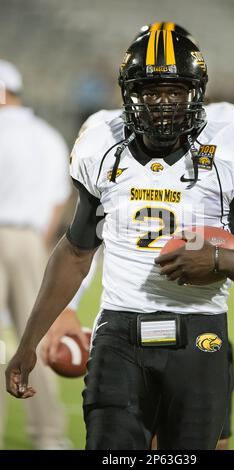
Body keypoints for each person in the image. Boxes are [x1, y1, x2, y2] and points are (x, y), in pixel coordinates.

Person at [5, 28, 234, 450]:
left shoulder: (228, 150)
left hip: (198, 337)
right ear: (128, 94)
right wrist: (29, 342)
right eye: (150, 91)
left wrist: (217, 261)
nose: (163, 103)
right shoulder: (104, 143)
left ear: (196, 92)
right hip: (119, 332)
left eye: (175, 90)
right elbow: (76, 251)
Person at [0, 59, 72, 449]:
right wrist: (40, 244)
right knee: (33, 338)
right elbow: (58, 201)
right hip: (32, 240)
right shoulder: (48, 136)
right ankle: (49, 434)